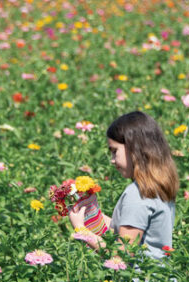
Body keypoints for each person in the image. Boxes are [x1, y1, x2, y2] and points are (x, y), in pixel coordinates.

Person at [68, 111, 178, 260]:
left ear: (135, 149)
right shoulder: (157, 187)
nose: (112, 160)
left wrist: (82, 230)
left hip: (140, 281)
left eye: (115, 151)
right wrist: (91, 213)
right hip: (160, 279)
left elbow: (121, 255)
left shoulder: (138, 194)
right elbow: (123, 228)